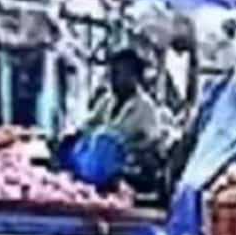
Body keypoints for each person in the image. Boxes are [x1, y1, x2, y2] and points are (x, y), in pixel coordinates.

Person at [73, 48, 177, 194]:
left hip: (127, 176)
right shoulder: (107, 101)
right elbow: (88, 125)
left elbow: (152, 145)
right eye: (112, 74)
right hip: (97, 170)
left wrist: (126, 147)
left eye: (118, 74)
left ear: (134, 77)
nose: (113, 80)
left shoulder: (146, 108)